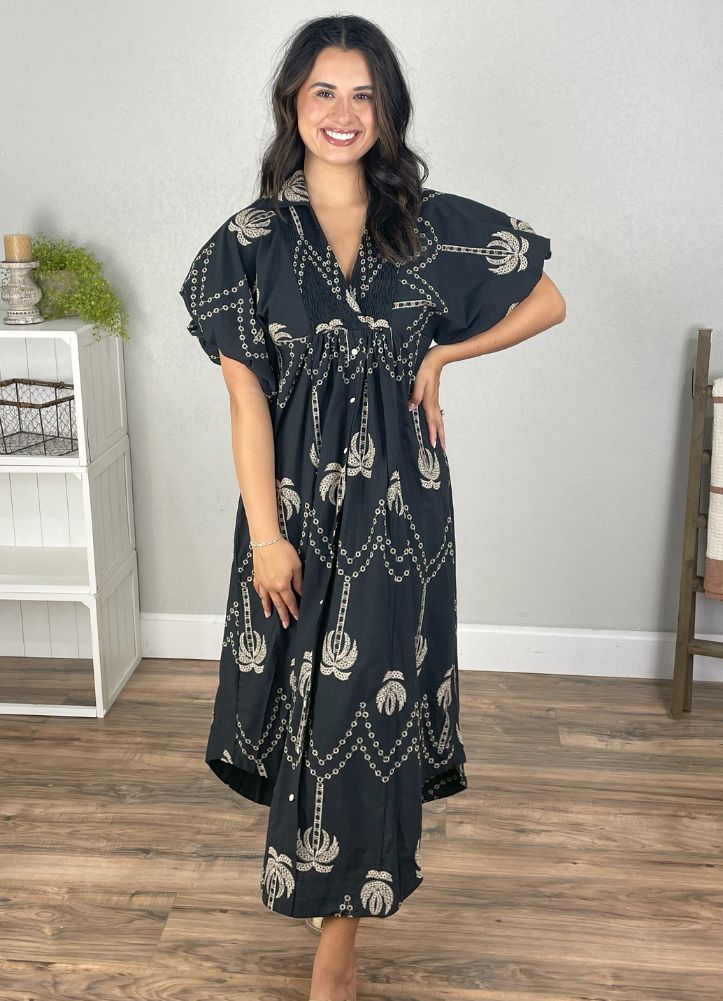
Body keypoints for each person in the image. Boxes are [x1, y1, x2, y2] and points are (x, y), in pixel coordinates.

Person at [179, 14, 565, 1001]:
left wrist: (444, 353)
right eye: (324, 91)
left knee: (364, 711)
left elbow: (546, 299)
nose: (343, 112)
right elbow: (246, 403)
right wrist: (266, 536)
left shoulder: (427, 227)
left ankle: (339, 937)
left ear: (387, 110)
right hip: (292, 511)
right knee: (302, 702)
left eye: (364, 94)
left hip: (399, 514)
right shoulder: (248, 244)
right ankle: (331, 885)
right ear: (293, 104)